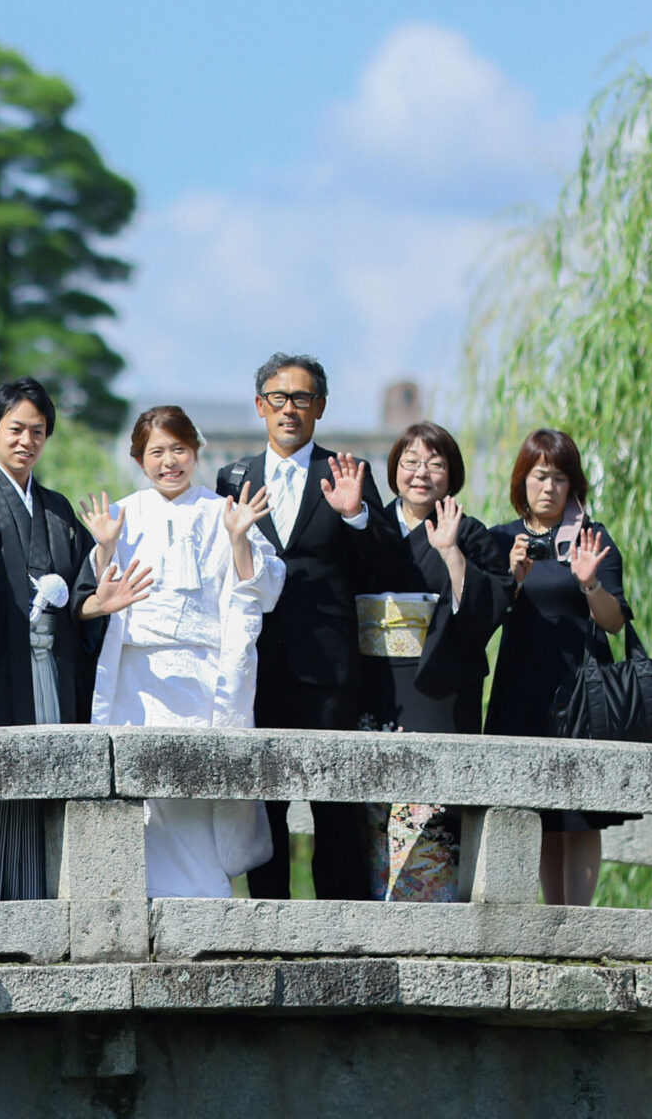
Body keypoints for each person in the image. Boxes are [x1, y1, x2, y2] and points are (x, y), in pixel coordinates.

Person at [0, 378, 150, 903]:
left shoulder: (57, 509)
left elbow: (78, 600)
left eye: (38, 431)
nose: (26, 440)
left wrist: (99, 602)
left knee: (46, 797)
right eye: (15, 429)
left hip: (50, 676)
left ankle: (40, 924)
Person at [214, 352, 401, 902]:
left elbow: (388, 565)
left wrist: (355, 516)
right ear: (259, 406)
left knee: (333, 802)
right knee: (262, 801)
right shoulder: (235, 476)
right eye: (278, 397)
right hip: (258, 663)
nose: (289, 408)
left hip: (329, 667)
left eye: (301, 398)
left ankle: (339, 929)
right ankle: (267, 923)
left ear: (319, 407)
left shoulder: (346, 472)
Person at [84, 405, 284, 898]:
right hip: (140, 676)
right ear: (138, 458)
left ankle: (203, 904)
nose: (169, 462)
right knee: (142, 796)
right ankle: (137, 902)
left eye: (179, 449)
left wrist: (239, 539)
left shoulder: (223, 510)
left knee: (197, 793)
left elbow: (265, 590)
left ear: (196, 452)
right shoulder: (122, 513)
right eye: (157, 452)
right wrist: (105, 549)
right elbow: (97, 593)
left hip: (202, 676)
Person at [357, 421, 511, 901]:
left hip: (437, 690)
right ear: (394, 470)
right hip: (376, 687)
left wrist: (451, 554)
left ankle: (434, 924)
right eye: (411, 462)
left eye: (435, 463)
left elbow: (493, 605)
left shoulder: (470, 533)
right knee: (371, 814)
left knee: (430, 811)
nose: (421, 473)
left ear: (452, 474)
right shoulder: (370, 525)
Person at [485, 428, 634, 907]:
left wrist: (590, 584)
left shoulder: (590, 538)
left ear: (574, 486)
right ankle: (552, 921)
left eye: (561, 478)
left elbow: (614, 623)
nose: (549, 488)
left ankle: (579, 923)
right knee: (539, 810)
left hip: (582, 691)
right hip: (521, 687)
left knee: (580, 812)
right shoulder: (502, 539)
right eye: (540, 476)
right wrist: (511, 578)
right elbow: (482, 618)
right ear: (522, 481)